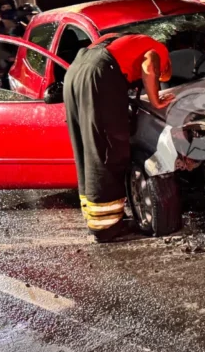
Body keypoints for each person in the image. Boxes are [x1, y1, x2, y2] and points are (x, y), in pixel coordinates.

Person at [64, 33, 173, 243]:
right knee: (107, 148)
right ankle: (107, 227)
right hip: (100, 74)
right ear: (167, 64)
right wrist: (156, 101)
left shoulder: (125, 40)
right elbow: (150, 66)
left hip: (75, 73)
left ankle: (94, 218)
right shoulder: (158, 49)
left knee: (87, 145)